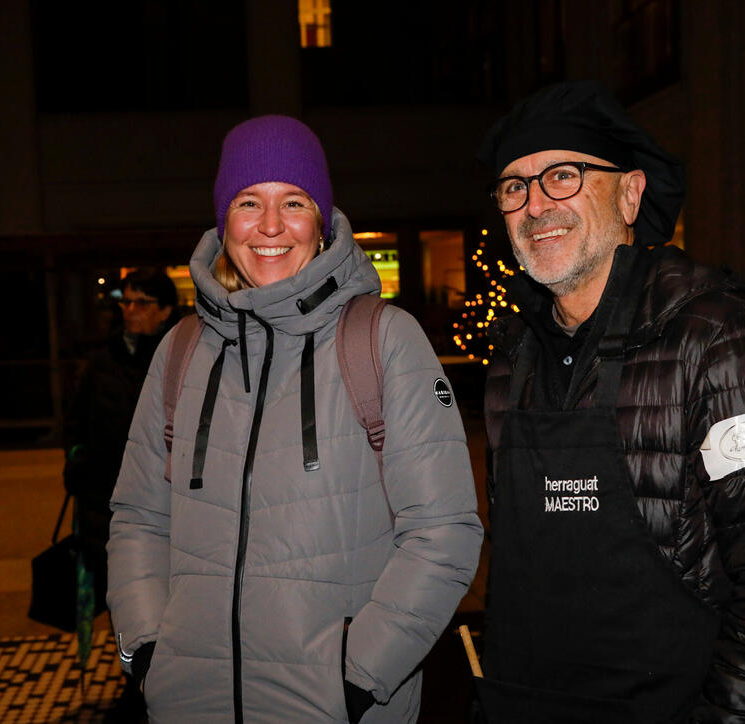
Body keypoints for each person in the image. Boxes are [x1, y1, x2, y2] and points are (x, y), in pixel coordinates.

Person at [476, 80, 745, 723]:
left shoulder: (721, 337)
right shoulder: (513, 360)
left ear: (630, 192)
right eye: (515, 186)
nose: (536, 205)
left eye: (562, 175)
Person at [107, 115, 483, 723]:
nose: (272, 226)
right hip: (189, 704)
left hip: (339, 709)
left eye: (295, 202)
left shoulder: (383, 341)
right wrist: (148, 650)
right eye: (249, 202)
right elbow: (138, 518)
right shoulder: (180, 350)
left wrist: (358, 677)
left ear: (323, 219)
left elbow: (444, 532)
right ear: (224, 220)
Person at [63, 267, 178, 720]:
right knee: (126, 600)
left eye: (141, 303)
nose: (129, 311)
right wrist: (78, 468)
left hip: (168, 509)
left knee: (169, 603)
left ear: (165, 310)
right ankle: (135, 689)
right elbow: (76, 424)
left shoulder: (184, 355)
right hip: (105, 509)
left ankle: (161, 691)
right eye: (125, 302)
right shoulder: (101, 363)